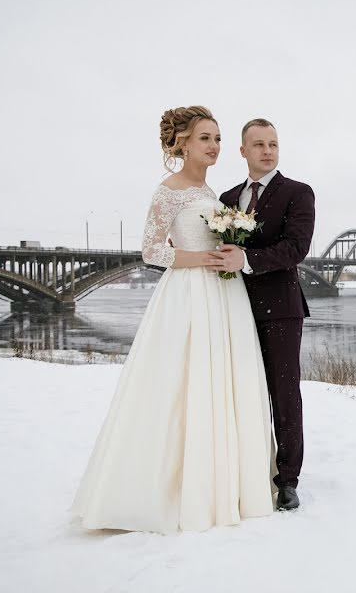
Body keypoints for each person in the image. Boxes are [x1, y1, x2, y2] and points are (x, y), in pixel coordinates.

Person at [72, 106, 276, 533]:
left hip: (224, 294)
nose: (214, 146)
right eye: (206, 138)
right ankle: (175, 487)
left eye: (218, 139)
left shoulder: (213, 194)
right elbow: (151, 250)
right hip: (188, 294)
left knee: (226, 379)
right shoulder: (168, 190)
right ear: (184, 143)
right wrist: (199, 258)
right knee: (184, 383)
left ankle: (225, 482)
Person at [213, 118, 315, 511]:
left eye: (272, 143)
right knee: (240, 392)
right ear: (243, 151)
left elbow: (296, 248)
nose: (267, 151)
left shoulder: (298, 193)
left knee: (284, 395)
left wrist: (247, 259)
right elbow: (219, 245)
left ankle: (287, 480)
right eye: (258, 144)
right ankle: (245, 468)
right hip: (234, 307)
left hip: (281, 312)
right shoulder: (226, 199)